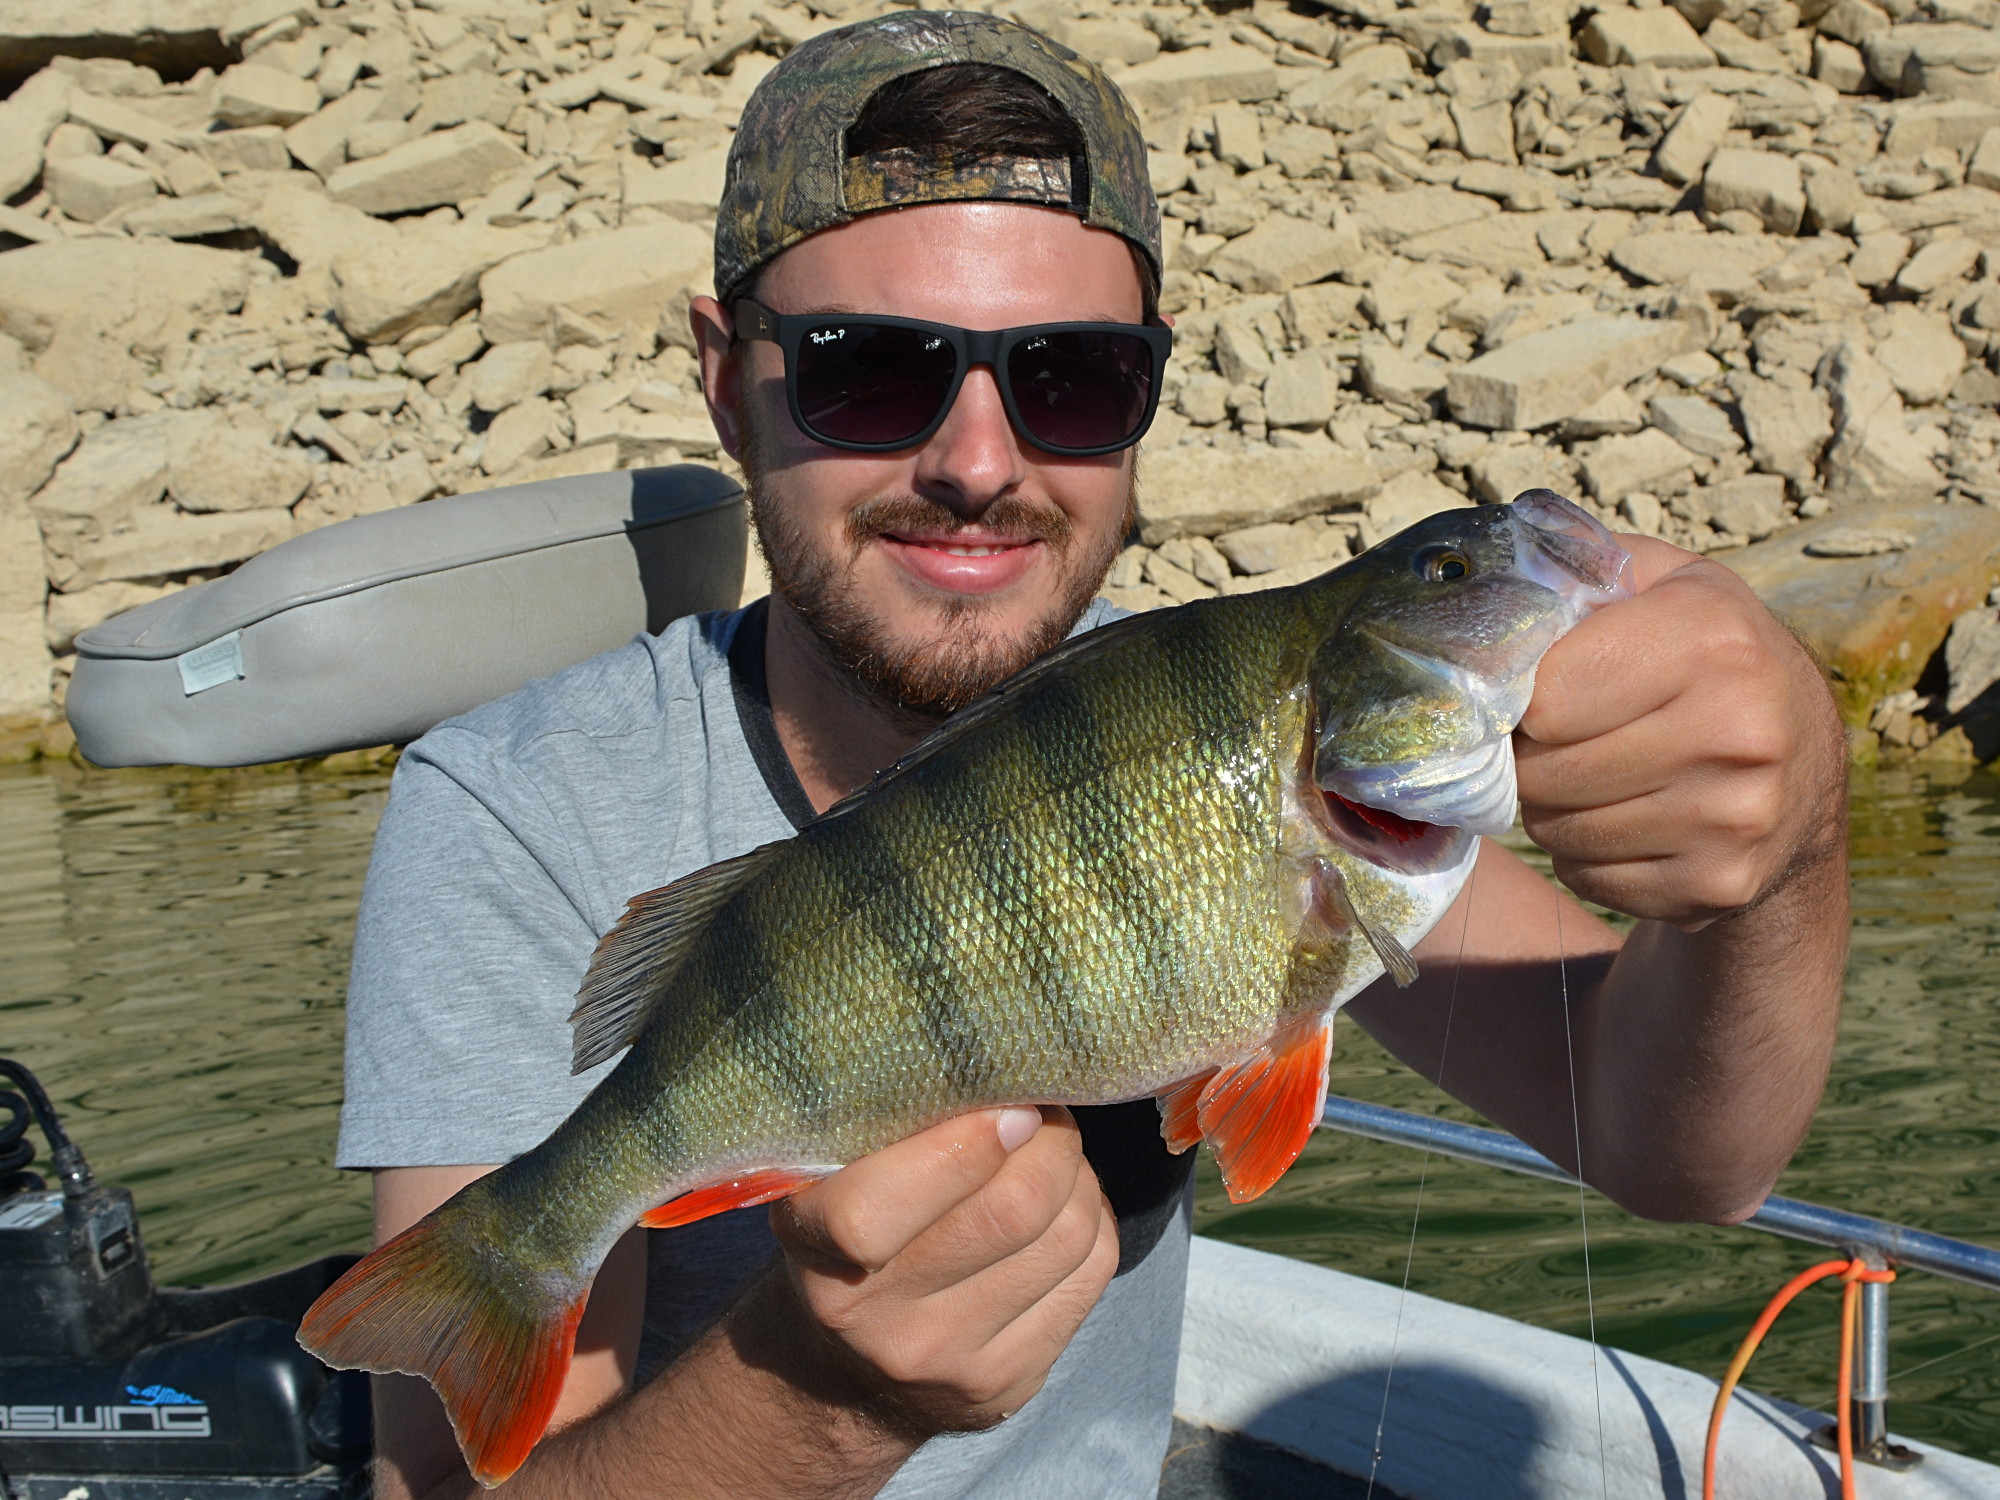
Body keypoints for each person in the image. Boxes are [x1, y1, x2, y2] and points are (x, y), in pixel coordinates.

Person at [335, 12, 1849, 1499]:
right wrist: (821, 1393)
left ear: (1146, 399)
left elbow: (1683, 1158)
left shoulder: (1250, 741)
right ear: (729, 381)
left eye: (1070, 377)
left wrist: (1785, 859)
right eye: (870, 368)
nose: (978, 463)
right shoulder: (518, 811)